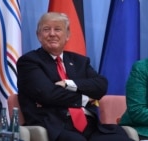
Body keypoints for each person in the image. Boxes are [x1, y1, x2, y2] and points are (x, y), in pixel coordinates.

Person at [17, 12, 133, 141]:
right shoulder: (29, 61)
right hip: (55, 126)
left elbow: (101, 85)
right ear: (39, 36)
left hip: (90, 125)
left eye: (57, 29)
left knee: (121, 137)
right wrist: (85, 98)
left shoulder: (79, 61)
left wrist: (69, 84)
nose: (52, 34)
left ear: (67, 35)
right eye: (46, 29)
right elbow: (48, 94)